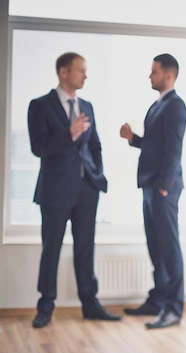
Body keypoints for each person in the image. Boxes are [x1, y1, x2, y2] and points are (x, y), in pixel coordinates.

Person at [28, 52, 121, 328]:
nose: (85, 75)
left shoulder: (87, 106)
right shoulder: (40, 106)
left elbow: (95, 145)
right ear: (64, 72)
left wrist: (97, 173)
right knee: (51, 249)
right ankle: (45, 306)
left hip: (87, 190)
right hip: (55, 191)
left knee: (85, 249)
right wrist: (69, 133)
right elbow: (38, 148)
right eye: (81, 70)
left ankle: (90, 304)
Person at [119, 53, 186, 330]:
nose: (150, 76)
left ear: (168, 75)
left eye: (154, 71)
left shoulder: (176, 106)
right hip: (150, 186)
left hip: (163, 189)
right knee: (156, 247)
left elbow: (174, 149)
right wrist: (133, 139)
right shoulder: (156, 105)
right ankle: (158, 299)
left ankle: (173, 308)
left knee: (169, 249)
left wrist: (163, 186)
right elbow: (155, 145)